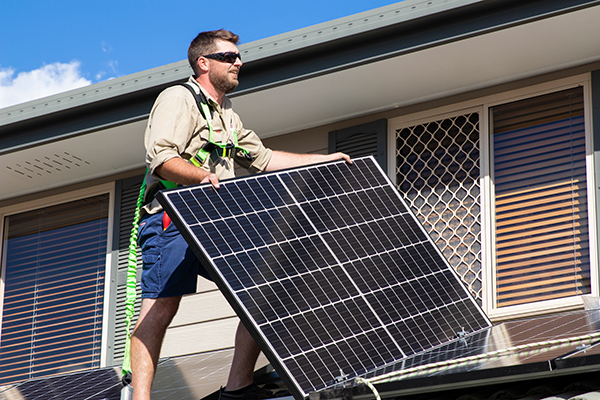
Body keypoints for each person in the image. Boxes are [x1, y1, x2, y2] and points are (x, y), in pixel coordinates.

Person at [131, 29, 351, 400]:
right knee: (161, 307)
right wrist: (202, 175)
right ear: (204, 63)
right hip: (173, 219)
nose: (239, 62)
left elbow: (263, 159)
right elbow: (162, 159)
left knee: (264, 289)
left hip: (215, 218)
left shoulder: (227, 114)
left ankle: (238, 388)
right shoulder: (177, 99)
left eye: (238, 56)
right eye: (229, 57)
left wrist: (320, 159)